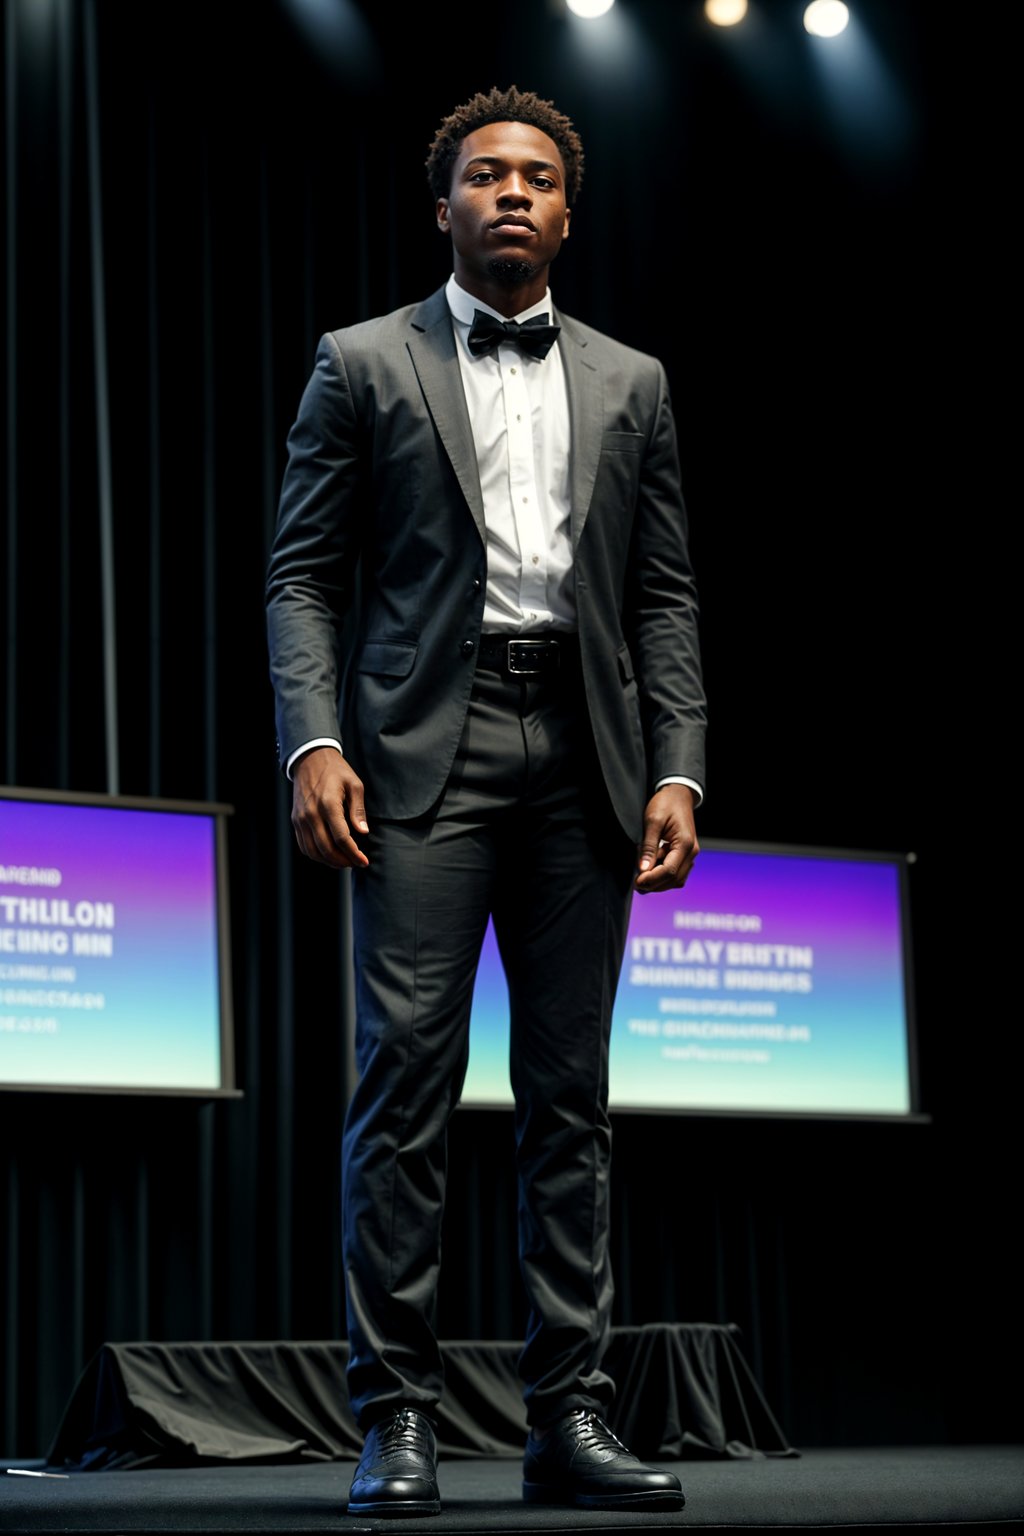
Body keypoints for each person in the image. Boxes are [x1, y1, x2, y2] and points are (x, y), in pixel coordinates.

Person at [265, 85, 707, 1518]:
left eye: (535, 177)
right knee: (405, 1085)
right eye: (484, 177)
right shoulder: (360, 363)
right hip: (418, 760)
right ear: (443, 205)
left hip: (584, 755)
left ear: (567, 210)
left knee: (569, 1099)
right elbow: (302, 578)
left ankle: (564, 1416)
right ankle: (394, 1416)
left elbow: (662, 592)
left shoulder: (633, 381)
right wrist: (312, 743)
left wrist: (680, 762)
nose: (510, 193)